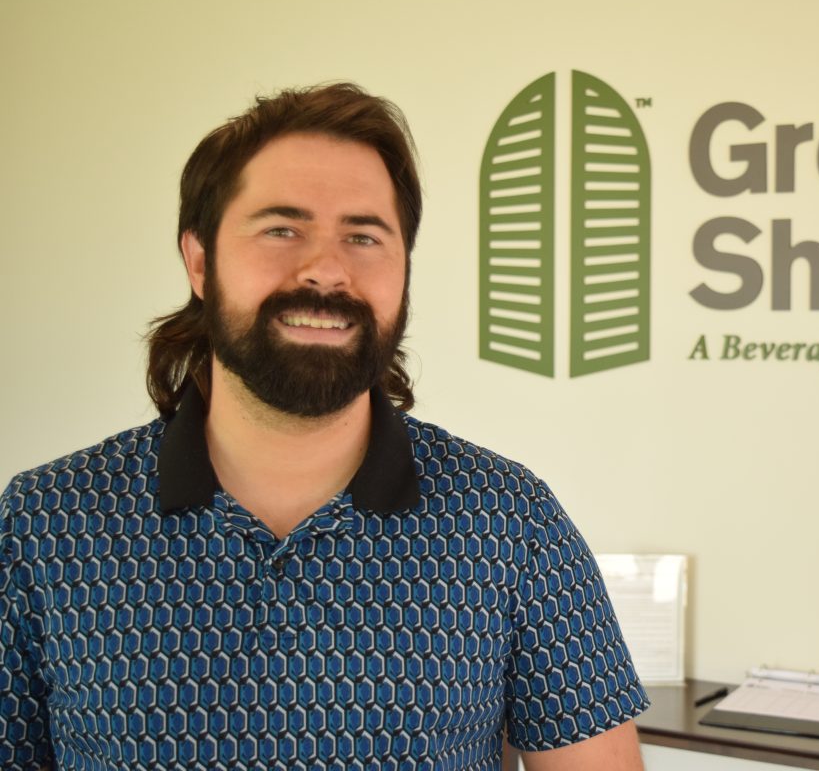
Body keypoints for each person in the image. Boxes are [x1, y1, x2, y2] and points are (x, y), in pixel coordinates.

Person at [0, 83, 648, 770]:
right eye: (282, 228)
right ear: (199, 259)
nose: (327, 270)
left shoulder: (511, 524)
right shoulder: (44, 524)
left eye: (364, 236)